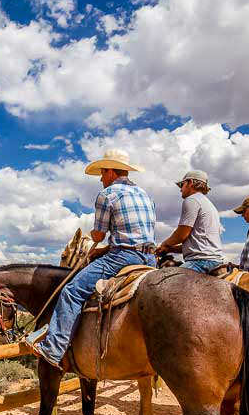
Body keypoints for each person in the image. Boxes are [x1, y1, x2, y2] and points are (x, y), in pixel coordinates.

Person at [26, 148, 156, 368]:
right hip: (150, 259)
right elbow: (133, 233)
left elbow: (99, 234)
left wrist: (92, 241)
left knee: (71, 292)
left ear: (112, 172)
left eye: (102, 173)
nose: (101, 179)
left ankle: (52, 349)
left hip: (124, 256)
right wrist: (104, 249)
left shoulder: (108, 194)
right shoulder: (144, 194)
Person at [156, 169, 226, 273]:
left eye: (182, 185)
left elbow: (181, 234)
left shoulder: (192, 200)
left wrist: (164, 244)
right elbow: (195, 245)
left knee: (165, 283)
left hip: (201, 262)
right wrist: (170, 249)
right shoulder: (209, 204)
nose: (180, 189)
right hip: (215, 261)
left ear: (191, 183)